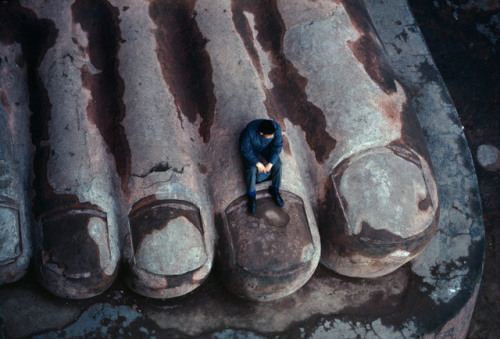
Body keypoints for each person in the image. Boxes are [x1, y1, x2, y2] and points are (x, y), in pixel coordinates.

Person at [239, 119, 284, 213]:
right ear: (261, 133)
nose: (272, 136)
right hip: (252, 148)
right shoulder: (249, 131)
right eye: (270, 136)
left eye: (273, 134)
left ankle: (275, 190)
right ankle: (251, 196)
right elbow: (245, 149)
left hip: (267, 148)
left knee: (278, 165)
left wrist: (270, 163)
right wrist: (257, 163)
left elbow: (278, 146)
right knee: (251, 169)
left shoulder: (276, 128)